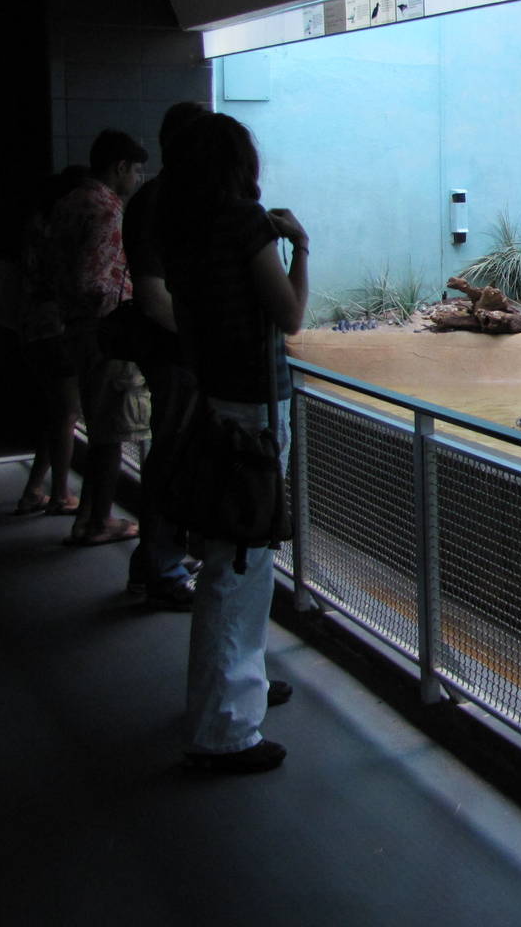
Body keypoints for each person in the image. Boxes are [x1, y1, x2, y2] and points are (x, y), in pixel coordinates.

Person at [158, 112, 309, 774]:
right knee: (240, 569)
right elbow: (291, 315)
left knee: (228, 560)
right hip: (253, 412)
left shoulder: (181, 228)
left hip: (215, 403)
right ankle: (224, 730)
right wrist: (300, 247)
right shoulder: (246, 226)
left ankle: (227, 695)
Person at [122, 102, 207, 607]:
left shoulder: (163, 199)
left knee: (175, 453)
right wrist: (207, 340)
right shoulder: (162, 203)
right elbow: (154, 298)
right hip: (177, 356)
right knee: (172, 454)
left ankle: (158, 559)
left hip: (178, 353)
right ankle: (161, 567)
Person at [48, 130, 147, 545]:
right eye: (137, 170)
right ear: (119, 167)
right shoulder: (107, 210)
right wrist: (133, 301)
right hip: (104, 333)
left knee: (98, 425)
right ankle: (97, 522)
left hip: (73, 328)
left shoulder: (68, 202)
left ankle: (88, 516)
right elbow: (93, 281)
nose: (139, 179)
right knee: (112, 434)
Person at [12, 166, 88, 515]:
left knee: (56, 411)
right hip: (55, 328)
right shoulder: (59, 229)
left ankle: (34, 488)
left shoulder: (36, 224)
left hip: (32, 326)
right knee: (67, 411)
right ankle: (61, 493)